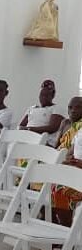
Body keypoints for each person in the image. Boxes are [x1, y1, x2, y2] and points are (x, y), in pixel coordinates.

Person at [51, 96, 82, 226]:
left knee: (61, 189)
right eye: (71, 107)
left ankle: (66, 234)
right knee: (51, 186)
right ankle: (62, 234)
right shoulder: (80, 131)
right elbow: (71, 151)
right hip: (75, 172)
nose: (73, 110)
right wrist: (67, 160)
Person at [18, 79, 64, 147]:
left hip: (44, 142)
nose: (43, 97)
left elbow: (52, 128)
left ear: (53, 95)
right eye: (42, 95)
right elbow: (21, 126)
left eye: (47, 95)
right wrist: (25, 130)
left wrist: (29, 129)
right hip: (27, 139)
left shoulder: (57, 108)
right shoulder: (31, 108)